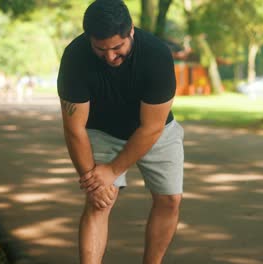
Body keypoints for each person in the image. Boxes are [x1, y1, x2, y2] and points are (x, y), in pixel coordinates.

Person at [57, 0, 184, 263]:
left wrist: (113, 170)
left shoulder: (156, 55)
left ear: (131, 32)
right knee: (99, 201)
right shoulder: (75, 57)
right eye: (100, 49)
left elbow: (151, 128)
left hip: (155, 130)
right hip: (102, 130)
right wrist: (93, 180)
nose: (110, 57)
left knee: (170, 199)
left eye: (118, 47)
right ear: (89, 39)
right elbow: (74, 128)